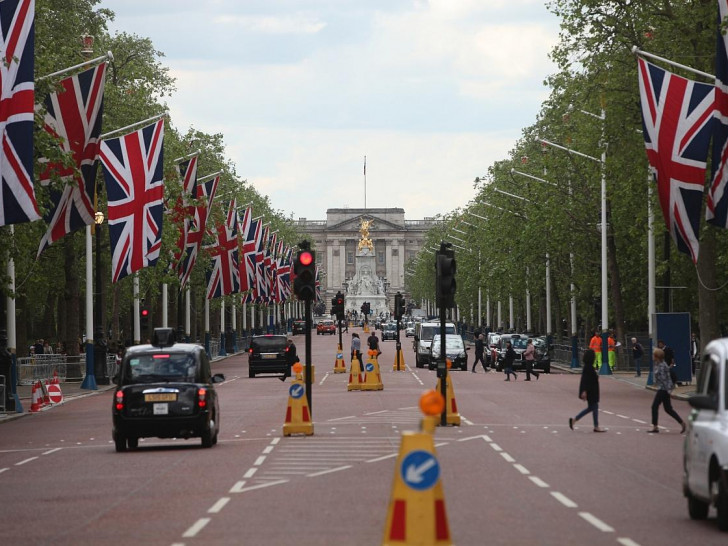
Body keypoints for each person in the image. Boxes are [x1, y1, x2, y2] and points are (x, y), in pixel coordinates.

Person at [648, 347, 686, 433]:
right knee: (668, 409)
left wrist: (669, 391)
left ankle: (655, 427)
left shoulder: (662, 366)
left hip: (663, 389)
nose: (652, 356)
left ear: (657, 356)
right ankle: (682, 423)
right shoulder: (658, 364)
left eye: (653, 355)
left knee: (654, 406)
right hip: (662, 388)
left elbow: (665, 379)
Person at [569, 349, 606, 432]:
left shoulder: (588, 366)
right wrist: (584, 391)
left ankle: (575, 420)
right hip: (591, 390)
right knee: (594, 407)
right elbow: (586, 380)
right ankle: (595, 426)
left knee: (591, 408)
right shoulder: (588, 367)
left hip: (591, 390)